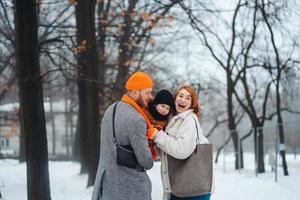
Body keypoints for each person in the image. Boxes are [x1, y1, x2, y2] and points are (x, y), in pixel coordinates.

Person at [92, 71, 156, 200]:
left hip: (108, 185)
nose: (151, 97)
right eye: (147, 92)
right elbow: (146, 161)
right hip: (130, 189)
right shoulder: (136, 119)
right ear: (135, 92)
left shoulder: (111, 109)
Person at [151, 85, 212, 200]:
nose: (183, 100)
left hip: (193, 191)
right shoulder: (172, 120)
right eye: (180, 95)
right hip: (180, 188)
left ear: (192, 104)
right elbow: (165, 150)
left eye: (188, 98)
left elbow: (182, 150)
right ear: (175, 99)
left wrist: (158, 135)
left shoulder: (190, 120)